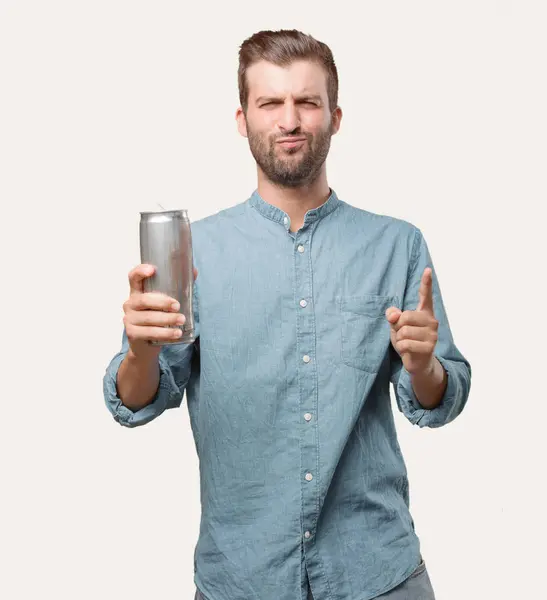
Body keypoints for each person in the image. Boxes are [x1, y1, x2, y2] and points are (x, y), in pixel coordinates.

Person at [103, 29, 472, 600]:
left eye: (307, 101)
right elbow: (136, 400)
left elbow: (439, 400)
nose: (289, 120)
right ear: (242, 118)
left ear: (336, 115)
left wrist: (424, 366)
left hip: (376, 575)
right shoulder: (191, 252)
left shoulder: (397, 245)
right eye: (270, 103)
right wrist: (140, 351)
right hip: (241, 578)